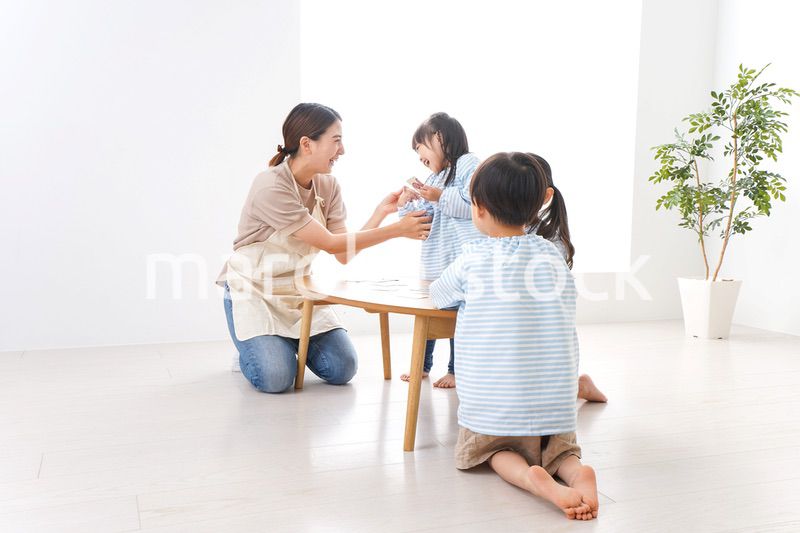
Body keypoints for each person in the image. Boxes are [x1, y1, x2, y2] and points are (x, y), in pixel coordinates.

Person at [429, 152, 598, 520]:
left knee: (493, 450)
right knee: (562, 451)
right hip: (555, 405)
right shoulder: (554, 256)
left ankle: (531, 479)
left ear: (479, 209)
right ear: (539, 204)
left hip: (496, 406)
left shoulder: (473, 257)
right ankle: (575, 473)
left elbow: (438, 296)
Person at [218, 103, 432, 394]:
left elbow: (343, 253)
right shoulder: (271, 186)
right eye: (336, 140)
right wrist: (397, 231)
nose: (342, 150)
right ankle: (253, 350)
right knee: (277, 378)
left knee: (342, 368)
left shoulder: (328, 186)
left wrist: (382, 212)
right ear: (307, 143)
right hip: (255, 291)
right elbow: (331, 245)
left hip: (297, 291)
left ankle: (282, 343)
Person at [397, 112, 483, 388]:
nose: (418, 155)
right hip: (436, 260)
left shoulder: (469, 165)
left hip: (461, 261)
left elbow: (475, 207)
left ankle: (456, 370)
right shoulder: (434, 178)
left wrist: (439, 196)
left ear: (440, 138)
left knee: (459, 317)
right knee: (428, 313)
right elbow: (423, 220)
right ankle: (421, 365)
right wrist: (407, 204)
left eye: (420, 146)